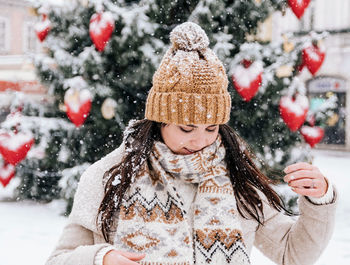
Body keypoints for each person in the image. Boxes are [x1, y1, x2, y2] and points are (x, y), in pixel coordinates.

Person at [46, 22, 336, 265]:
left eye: (212, 128)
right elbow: (59, 259)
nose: (200, 140)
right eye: (186, 128)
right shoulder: (110, 176)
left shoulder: (236, 180)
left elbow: (292, 253)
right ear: (160, 120)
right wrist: (101, 258)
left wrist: (319, 199)